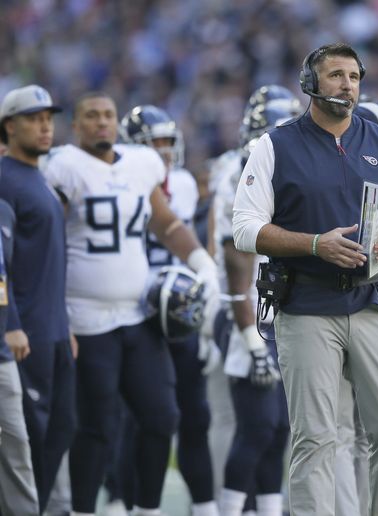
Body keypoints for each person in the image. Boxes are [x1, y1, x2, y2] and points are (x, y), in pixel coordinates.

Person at [231, 43, 378, 516]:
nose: (346, 85)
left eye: (354, 76)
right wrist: (315, 244)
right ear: (310, 84)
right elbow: (244, 228)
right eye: (335, 75)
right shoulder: (274, 144)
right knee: (316, 436)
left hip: (374, 300)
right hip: (306, 303)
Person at [43, 92, 219, 516]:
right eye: (92, 116)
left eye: (107, 114)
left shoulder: (140, 167)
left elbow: (168, 223)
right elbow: (49, 243)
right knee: (97, 427)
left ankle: (147, 508)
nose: (101, 122)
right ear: (77, 124)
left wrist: (201, 263)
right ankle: (85, 509)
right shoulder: (64, 166)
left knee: (161, 418)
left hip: (138, 316)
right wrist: (56, 313)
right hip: (85, 319)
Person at [114, 104, 220, 515]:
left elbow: (191, 240)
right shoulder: (120, 180)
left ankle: (206, 505)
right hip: (137, 307)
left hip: (179, 307)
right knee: (139, 417)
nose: (163, 151)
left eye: (166, 142)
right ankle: (128, 502)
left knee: (195, 414)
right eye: (153, 143)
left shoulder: (183, 184)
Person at [216, 99, 297, 516]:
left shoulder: (278, 170)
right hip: (246, 310)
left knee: (280, 428)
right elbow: (237, 260)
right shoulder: (242, 174)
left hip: (272, 309)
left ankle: (266, 508)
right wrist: (250, 339)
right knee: (258, 427)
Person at [0, 84, 76, 513]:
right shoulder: (5, 181)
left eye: (49, 118)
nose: (45, 126)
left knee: (60, 428)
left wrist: (64, 325)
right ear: (10, 126)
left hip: (52, 330)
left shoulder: (38, 179)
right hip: (25, 332)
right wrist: (9, 322)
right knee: (29, 437)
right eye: (33, 118)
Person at [0, 194, 40, 516]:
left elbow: (3, 280)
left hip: (1, 354)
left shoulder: (4, 211)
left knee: (16, 447)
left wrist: (9, 322)